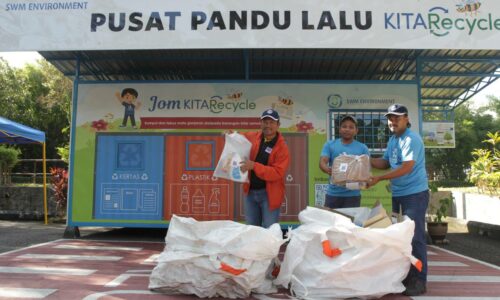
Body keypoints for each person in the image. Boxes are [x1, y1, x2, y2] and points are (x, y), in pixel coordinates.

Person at [369, 104, 429, 296]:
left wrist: (379, 178)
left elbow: (406, 167)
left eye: (397, 117)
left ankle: (419, 280)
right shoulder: (393, 140)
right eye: (390, 118)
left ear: (406, 118)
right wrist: (365, 159)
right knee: (400, 237)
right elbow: (386, 162)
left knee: (415, 236)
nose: (393, 121)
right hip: (398, 195)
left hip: (415, 195)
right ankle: (406, 276)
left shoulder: (411, 139)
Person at [236, 108, 290, 228]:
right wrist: (230, 134)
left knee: (270, 230)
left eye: (271, 122)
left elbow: (277, 172)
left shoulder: (282, 147)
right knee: (251, 229)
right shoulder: (253, 136)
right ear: (261, 123)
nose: (268, 125)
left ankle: (270, 248)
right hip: (250, 193)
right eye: (265, 122)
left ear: (278, 125)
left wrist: (254, 166)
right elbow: (239, 138)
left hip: (269, 195)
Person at [319, 115, 370, 208]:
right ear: (339, 129)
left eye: (351, 127)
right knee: (330, 222)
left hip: (353, 195)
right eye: (344, 126)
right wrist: (326, 168)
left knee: (349, 222)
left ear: (356, 131)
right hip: (333, 194)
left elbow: (365, 170)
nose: (347, 129)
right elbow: (323, 161)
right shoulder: (330, 145)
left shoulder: (362, 148)